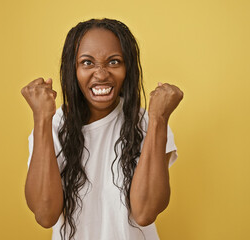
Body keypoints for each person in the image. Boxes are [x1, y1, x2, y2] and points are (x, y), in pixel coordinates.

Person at [21, 18, 184, 240]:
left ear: (128, 68)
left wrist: (159, 119)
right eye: (87, 62)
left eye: (114, 62)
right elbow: (45, 215)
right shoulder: (54, 124)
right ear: (73, 69)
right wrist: (41, 118)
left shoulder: (149, 122)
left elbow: (145, 213)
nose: (101, 74)